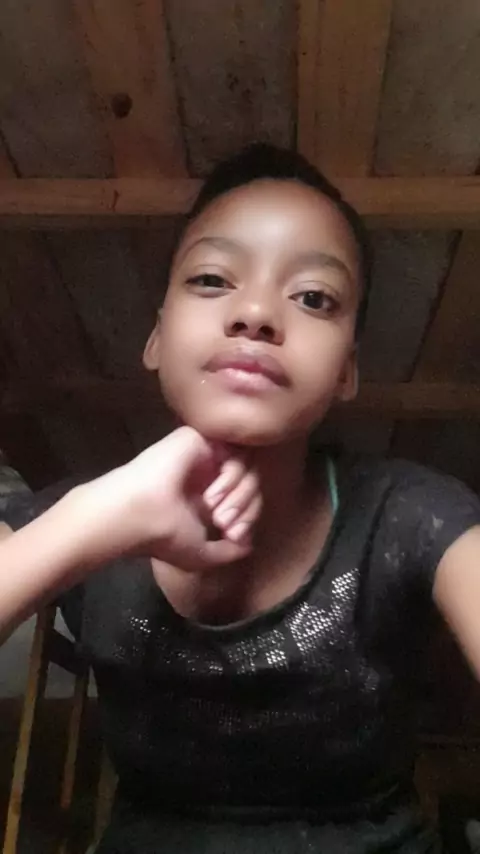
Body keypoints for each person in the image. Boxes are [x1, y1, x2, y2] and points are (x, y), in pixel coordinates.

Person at [1, 143, 480, 853]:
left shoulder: (411, 514)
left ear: (346, 370)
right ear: (156, 337)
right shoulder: (83, 513)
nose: (255, 313)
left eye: (314, 297)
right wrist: (91, 522)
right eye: (210, 279)